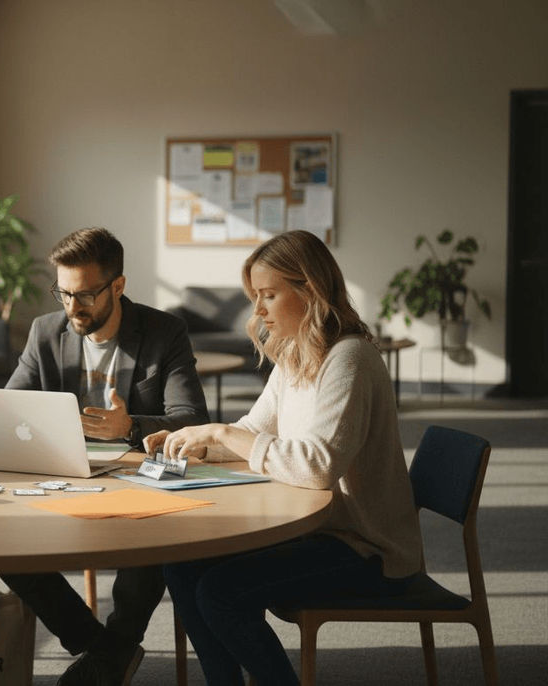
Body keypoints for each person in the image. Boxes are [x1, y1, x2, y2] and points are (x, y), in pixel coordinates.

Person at [150, 230, 423, 685]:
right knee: (180, 566)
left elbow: (317, 469)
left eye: (268, 295)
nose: (257, 311)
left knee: (220, 593)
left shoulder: (349, 358)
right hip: (321, 529)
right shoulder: (296, 353)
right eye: (255, 296)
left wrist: (221, 431)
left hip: (367, 547)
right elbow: (255, 432)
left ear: (309, 291)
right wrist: (196, 442)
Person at [1, 227, 210, 686]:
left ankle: (111, 652)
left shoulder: (163, 332)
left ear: (118, 286)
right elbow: (9, 407)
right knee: (0, 541)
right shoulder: (45, 331)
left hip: (142, 469)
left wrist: (131, 427)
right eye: (63, 293)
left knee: (154, 531)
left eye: (86, 296)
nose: (72, 308)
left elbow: (192, 418)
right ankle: (104, 649)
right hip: (67, 471)